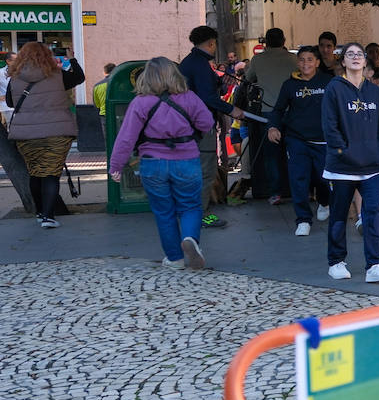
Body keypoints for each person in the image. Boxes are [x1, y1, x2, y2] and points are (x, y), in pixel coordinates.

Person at [108, 57, 213, 269]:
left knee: (164, 211)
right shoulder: (189, 98)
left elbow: (126, 137)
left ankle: (175, 257)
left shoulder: (140, 102)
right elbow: (207, 123)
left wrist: (116, 166)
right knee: (191, 206)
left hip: (152, 163)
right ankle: (191, 240)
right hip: (186, 160)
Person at [322, 42, 379, 282]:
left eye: (359, 54)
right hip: (342, 166)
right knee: (339, 215)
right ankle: (336, 261)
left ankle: (374, 264)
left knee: (373, 213)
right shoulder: (334, 89)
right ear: (343, 61)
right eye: (350, 54)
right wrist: (342, 150)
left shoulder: (377, 93)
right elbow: (330, 125)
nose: (355, 58)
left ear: (365, 61)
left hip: (372, 166)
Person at [4, 43, 85, 227]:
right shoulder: (57, 75)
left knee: (35, 173)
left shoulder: (15, 78)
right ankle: (48, 217)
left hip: (26, 134)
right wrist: (71, 59)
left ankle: (40, 213)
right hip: (57, 133)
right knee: (50, 174)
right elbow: (79, 78)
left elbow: (10, 102)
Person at [179, 26, 245, 229]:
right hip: (199, 126)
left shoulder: (192, 62)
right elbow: (207, 97)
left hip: (189, 125)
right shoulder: (199, 64)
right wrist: (231, 109)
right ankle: (201, 214)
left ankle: (192, 212)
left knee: (195, 171)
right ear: (211, 43)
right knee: (205, 170)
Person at [267, 46, 334, 236]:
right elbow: (278, 110)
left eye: (310, 59)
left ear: (317, 63)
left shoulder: (328, 82)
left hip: (323, 140)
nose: (306, 63)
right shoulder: (290, 85)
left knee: (323, 178)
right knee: (298, 179)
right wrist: (273, 127)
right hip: (297, 139)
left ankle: (324, 201)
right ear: (298, 62)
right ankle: (303, 220)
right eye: (302, 60)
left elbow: (338, 107)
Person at [241, 28, 297, 201]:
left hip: (268, 111)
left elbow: (248, 78)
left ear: (266, 42)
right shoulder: (294, 59)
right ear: (284, 40)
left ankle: (275, 192)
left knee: (271, 155)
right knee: (294, 152)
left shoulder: (258, 60)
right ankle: (297, 189)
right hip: (292, 111)